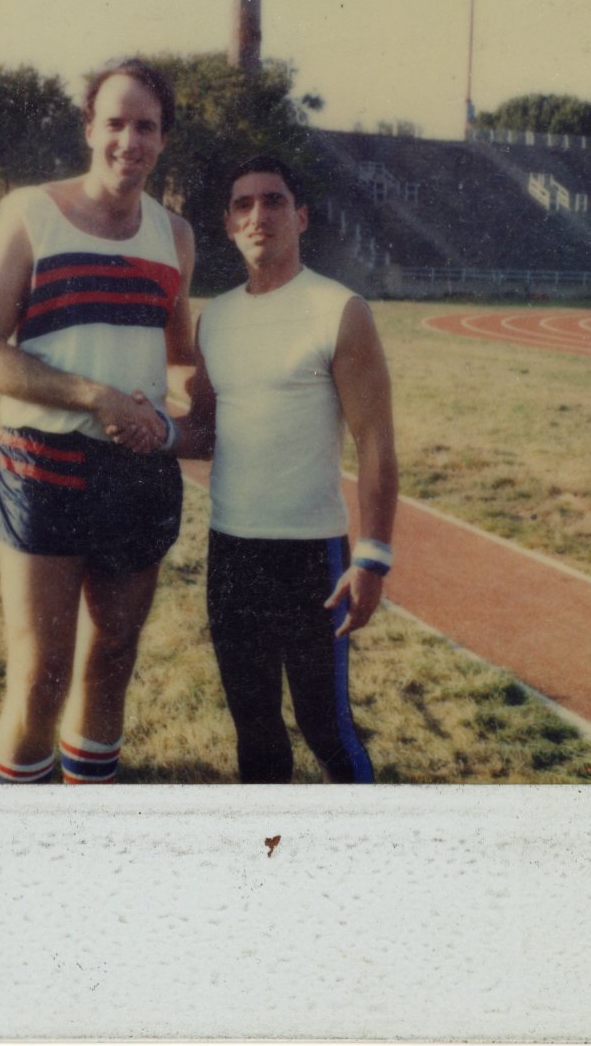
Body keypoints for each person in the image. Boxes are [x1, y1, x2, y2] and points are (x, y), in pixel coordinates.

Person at [0, 57, 195, 785]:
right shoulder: (31, 211)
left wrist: (170, 419)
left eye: (146, 126)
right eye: (115, 122)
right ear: (90, 128)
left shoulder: (175, 235)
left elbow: (181, 360)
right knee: (40, 676)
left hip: (138, 477)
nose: (130, 140)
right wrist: (97, 396)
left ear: (163, 139)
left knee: (113, 658)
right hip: (45, 465)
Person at [158, 154, 398, 783]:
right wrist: (148, 430)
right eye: (243, 204)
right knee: (255, 728)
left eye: (273, 201)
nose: (258, 214)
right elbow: (204, 428)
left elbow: (376, 441)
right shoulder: (219, 317)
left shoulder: (339, 309)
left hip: (310, 557)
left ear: (301, 217)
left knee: (326, 726)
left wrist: (372, 555)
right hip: (232, 552)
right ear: (230, 224)